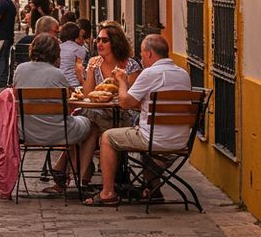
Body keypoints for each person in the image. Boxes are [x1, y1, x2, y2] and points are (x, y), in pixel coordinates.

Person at [86, 34, 192, 207]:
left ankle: (107, 193)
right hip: (180, 140)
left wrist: (121, 80)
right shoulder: (183, 74)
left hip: (153, 140)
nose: (141, 58)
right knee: (144, 131)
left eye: (142, 54)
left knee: (107, 137)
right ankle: (152, 188)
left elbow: (126, 103)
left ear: (149, 54)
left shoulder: (150, 73)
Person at [77, 20, 140, 190]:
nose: (99, 44)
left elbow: (132, 99)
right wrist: (89, 71)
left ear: (115, 43)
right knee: (88, 121)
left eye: (104, 40)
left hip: (124, 114)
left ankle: (83, 176)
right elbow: (87, 95)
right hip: (100, 114)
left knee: (88, 121)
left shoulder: (130, 65)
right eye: (98, 40)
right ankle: (84, 178)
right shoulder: (95, 64)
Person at [13, 33, 91, 169]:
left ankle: (63, 170)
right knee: (89, 123)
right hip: (58, 132)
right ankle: (81, 174)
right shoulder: (57, 74)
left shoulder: (20, 70)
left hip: (26, 132)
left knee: (73, 127)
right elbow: (68, 108)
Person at [59, 21, 88, 89]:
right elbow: (80, 69)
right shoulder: (80, 49)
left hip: (60, 84)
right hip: (75, 84)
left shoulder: (57, 47)